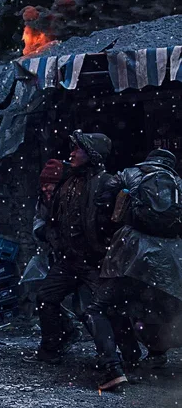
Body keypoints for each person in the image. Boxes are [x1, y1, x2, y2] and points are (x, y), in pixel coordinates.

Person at [87, 149, 182, 390]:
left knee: (100, 308)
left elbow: (103, 198)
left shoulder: (131, 173)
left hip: (132, 254)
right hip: (169, 259)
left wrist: (115, 216)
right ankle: (143, 359)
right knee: (157, 309)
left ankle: (113, 369)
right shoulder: (177, 183)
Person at [24, 130, 114, 365]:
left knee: (101, 309)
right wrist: (52, 237)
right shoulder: (68, 183)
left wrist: (103, 251)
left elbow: (109, 223)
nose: (72, 154)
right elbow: (53, 221)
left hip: (94, 260)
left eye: (77, 150)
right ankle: (52, 347)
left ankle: (120, 359)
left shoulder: (105, 183)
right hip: (69, 259)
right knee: (46, 297)